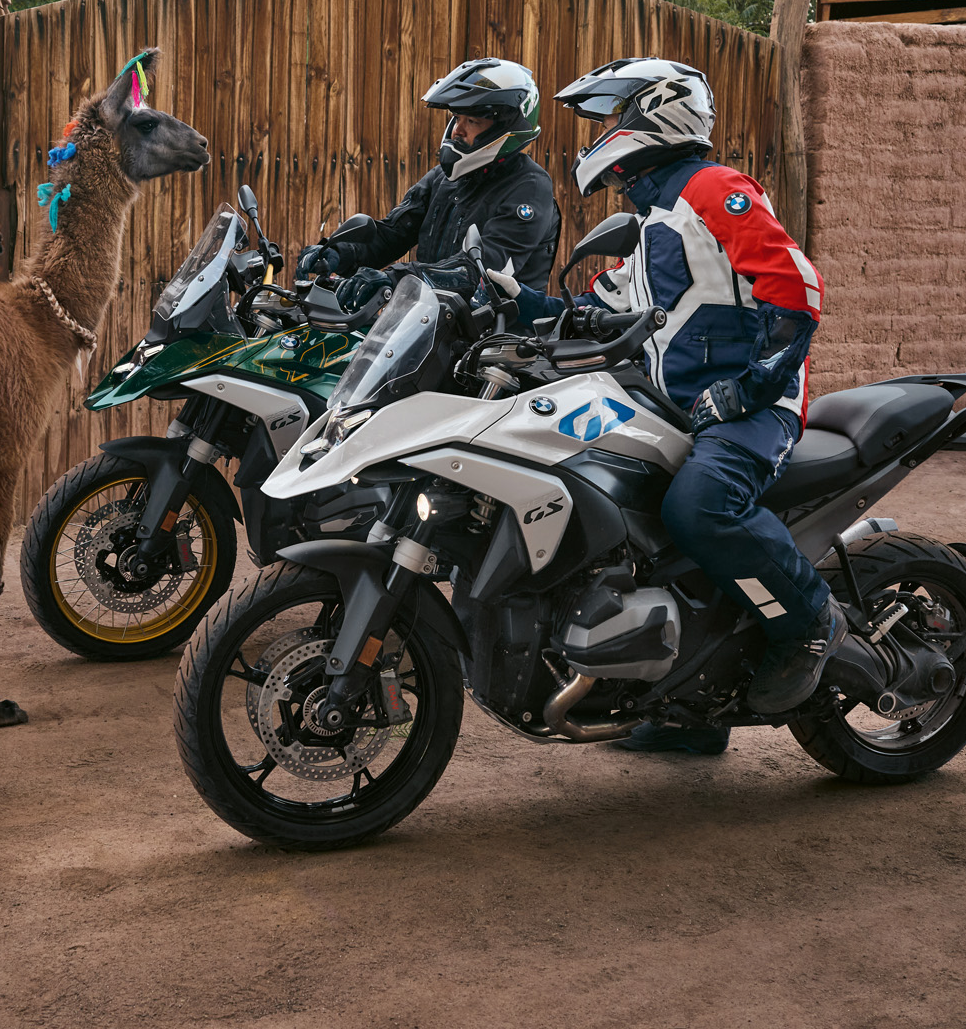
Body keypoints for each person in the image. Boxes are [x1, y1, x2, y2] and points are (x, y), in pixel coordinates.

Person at [513, 57, 836, 751]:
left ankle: (808, 623)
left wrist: (750, 388)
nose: (602, 134)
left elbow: (796, 292)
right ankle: (684, 707)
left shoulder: (714, 189)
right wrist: (507, 299)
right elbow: (589, 308)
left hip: (754, 410)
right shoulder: (653, 215)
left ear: (653, 113)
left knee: (699, 507)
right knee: (620, 513)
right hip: (678, 405)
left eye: (611, 117)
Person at [299, 58, 559, 305]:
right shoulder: (443, 178)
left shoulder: (530, 188)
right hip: (429, 327)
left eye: (473, 121)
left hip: (499, 341)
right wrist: (338, 253)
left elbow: (481, 271)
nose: (458, 130)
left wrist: (393, 279)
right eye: (457, 118)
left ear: (506, 126)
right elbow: (393, 233)